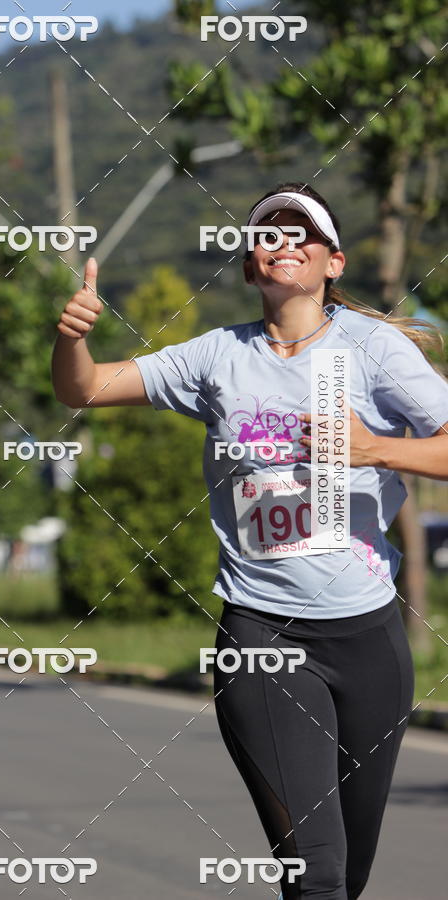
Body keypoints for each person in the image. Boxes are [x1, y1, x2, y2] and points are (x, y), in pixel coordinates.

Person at [51, 182, 448, 899]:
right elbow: (84, 390)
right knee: (315, 878)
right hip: (263, 632)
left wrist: (376, 449)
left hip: (369, 640)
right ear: (247, 265)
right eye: (267, 234)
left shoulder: (376, 350)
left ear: (334, 262)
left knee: (348, 877)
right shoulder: (215, 358)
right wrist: (71, 340)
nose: (283, 244)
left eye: (301, 234)